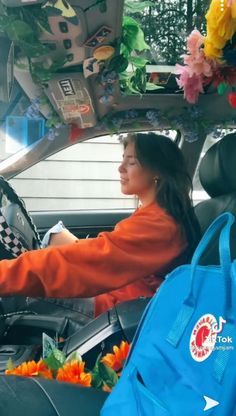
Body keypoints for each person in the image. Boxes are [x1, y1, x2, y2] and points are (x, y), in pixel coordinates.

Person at [0, 132, 201, 323]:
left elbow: (89, 261)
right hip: (121, 297)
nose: (120, 168)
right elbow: (104, 252)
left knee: (19, 296)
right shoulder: (157, 214)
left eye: (131, 162)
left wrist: (6, 273)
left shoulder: (158, 225)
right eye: (123, 159)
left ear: (157, 171)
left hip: (120, 312)